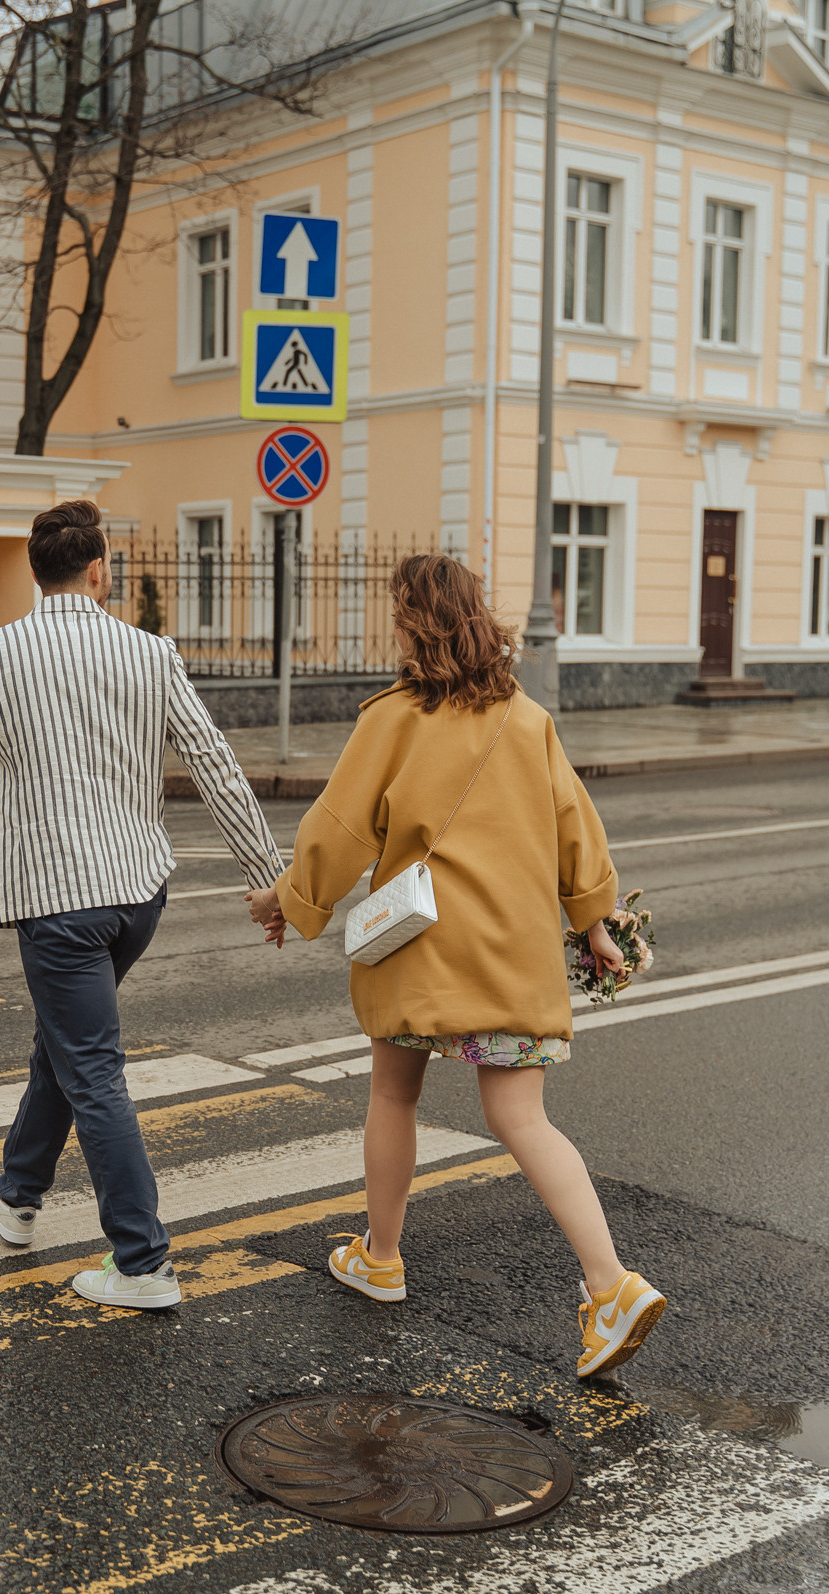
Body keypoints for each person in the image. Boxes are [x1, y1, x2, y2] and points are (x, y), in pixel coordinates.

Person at [244, 553, 666, 1378]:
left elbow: (338, 835)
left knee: (393, 1092)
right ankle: (611, 1285)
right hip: (513, 955)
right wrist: (598, 923)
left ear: (410, 622)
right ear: (479, 619)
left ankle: (383, 1257)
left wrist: (289, 905)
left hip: (419, 952)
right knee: (523, 1120)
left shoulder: (392, 718)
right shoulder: (528, 718)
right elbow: (577, 828)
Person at [0, 500, 284, 1312]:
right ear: (99, 570)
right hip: (138, 894)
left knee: (90, 1066)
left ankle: (143, 1260)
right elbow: (215, 764)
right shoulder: (150, 651)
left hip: (58, 901)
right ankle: (17, 1193)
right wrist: (267, 875)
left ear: (34, 572)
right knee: (67, 1043)